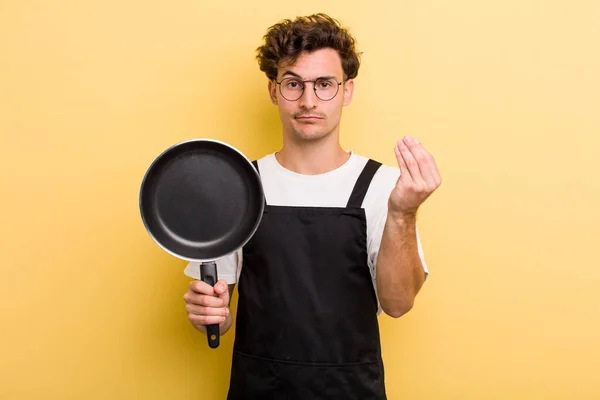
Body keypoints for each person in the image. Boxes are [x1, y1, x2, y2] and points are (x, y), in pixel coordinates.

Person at [183, 13, 441, 399]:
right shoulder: (240, 186)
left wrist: (403, 213)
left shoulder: (384, 186)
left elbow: (399, 303)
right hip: (259, 388)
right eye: (293, 84)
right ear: (273, 91)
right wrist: (208, 314)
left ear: (347, 91)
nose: (308, 101)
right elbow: (218, 312)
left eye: (324, 84)